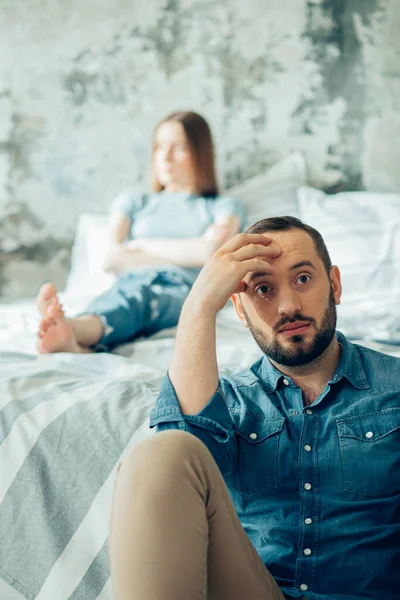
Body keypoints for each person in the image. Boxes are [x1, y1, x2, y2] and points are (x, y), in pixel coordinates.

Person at [109, 216, 400, 600]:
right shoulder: (229, 400)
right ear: (240, 311)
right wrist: (199, 304)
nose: (288, 305)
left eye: (302, 279)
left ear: (335, 285)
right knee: (160, 454)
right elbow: (173, 483)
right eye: (263, 289)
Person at [35, 110, 245, 353]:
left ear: (200, 153)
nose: (165, 157)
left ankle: (71, 329)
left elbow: (210, 252)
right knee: (128, 295)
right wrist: (184, 251)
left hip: (182, 289)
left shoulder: (221, 206)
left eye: (179, 148)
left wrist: (141, 245)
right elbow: (111, 258)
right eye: (158, 147)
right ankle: (75, 340)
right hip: (130, 281)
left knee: (143, 298)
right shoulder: (133, 202)